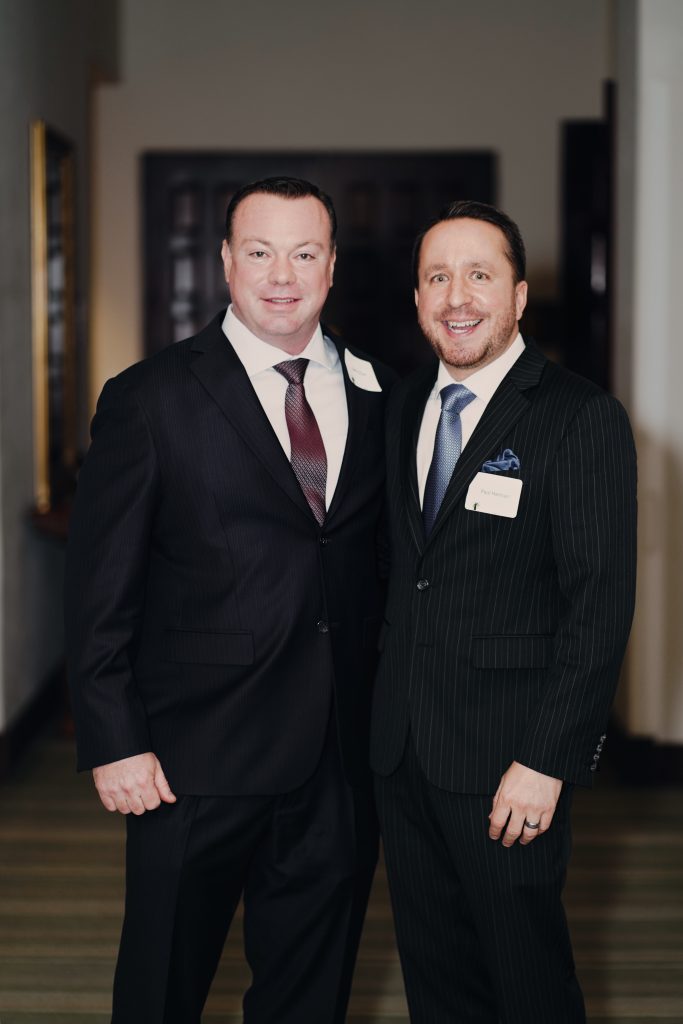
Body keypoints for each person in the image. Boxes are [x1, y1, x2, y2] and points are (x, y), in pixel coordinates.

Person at [65, 176, 395, 1024]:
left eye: (303, 253)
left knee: (309, 995)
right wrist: (114, 740)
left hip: (338, 759)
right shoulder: (150, 397)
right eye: (259, 252)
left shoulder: (383, 393)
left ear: (331, 267)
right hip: (191, 760)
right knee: (161, 989)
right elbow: (99, 587)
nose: (281, 275)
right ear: (224, 262)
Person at [370, 199, 637, 1023]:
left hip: (506, 762)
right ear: (417, 298)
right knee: (435, 979)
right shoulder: (402, 406)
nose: (456, 296)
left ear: (518, 296)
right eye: (436, 277)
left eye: (479, 275)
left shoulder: (578, 416)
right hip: (403, 752)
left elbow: (599, 607)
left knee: (527, 981)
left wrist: (546, 759)